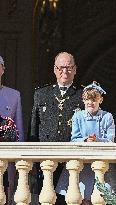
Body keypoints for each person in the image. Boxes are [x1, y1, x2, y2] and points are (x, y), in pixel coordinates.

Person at [29, 52, 84, 204]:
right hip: (46, 158)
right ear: (55, 69)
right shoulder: (41, 94)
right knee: (46, 199)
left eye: (69, 67)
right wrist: (32, 160)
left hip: (72, 158)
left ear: (75, 69)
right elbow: (34, 127)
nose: (64, 72)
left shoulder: (83, 95)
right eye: (61, 68)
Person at [55, 81, 115, 205]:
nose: (90, 103)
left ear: (100, 100)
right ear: (83, 100)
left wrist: (97, 140)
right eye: (87, 99)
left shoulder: (107, 117)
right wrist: (85, 140)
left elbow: (110, 140)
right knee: (82, 196)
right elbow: (74, 138)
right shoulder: (78, 116)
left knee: (100, 197)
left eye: (94, 99)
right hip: (82, 163)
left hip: (101, 162)